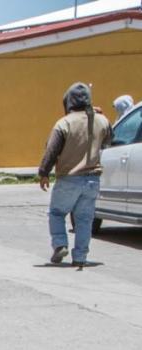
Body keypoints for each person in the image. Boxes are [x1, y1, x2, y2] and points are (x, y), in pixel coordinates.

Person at [38, 82, 112, 267]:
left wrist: (44, 172)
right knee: (84, 220)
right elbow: (109, 139)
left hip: (69, 178)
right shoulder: (102, 120)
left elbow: (52, 150)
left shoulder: (64, 123)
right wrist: (95, 115)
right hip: (93, 180)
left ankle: (60, 244)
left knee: (57, 213)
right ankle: (80, 257)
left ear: (68, 101)